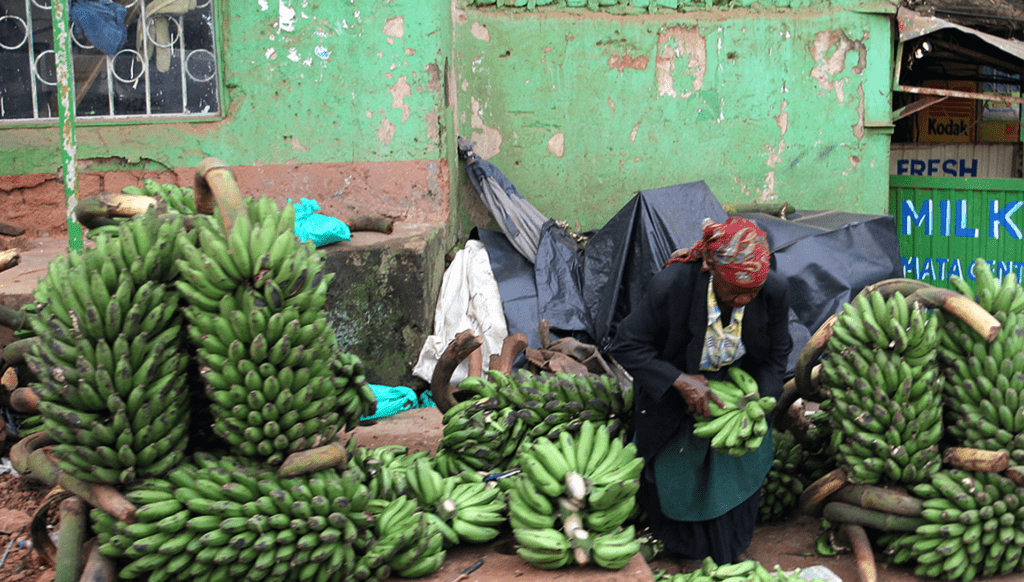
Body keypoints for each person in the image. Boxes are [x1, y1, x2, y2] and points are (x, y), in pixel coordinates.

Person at [607, 216, 792, 565]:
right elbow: (626, 344)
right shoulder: (671, 286)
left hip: (737, 391)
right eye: (735, 290)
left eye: (752, 292)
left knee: (739, 466)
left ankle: (733, 547)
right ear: (711, 268)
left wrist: (759, 403)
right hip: (674, 393)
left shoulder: (773, 291)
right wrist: (680, 381)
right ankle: (687, 552)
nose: (743, 299)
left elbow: (776, 356)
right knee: (680, 473)